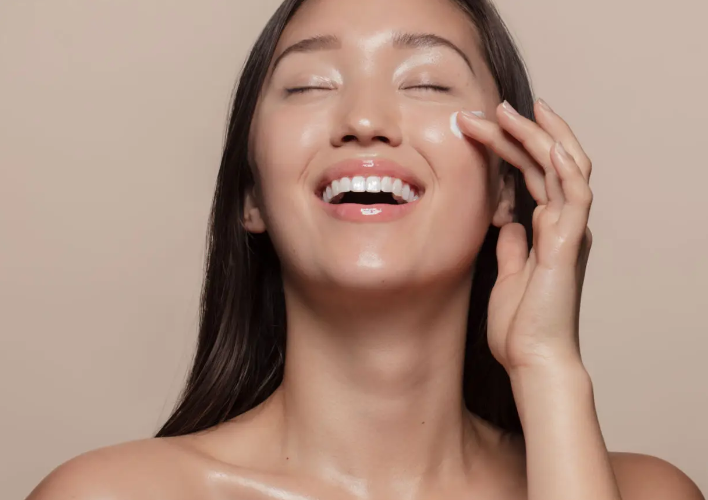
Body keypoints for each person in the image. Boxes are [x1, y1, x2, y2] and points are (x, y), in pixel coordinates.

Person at [27, 0, 704, 499]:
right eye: (310, 85)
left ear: (508, 184)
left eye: (427, 82)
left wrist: (548, 367)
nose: (364, 121)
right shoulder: (109, 494)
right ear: (251, 196)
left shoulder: (648, 493)